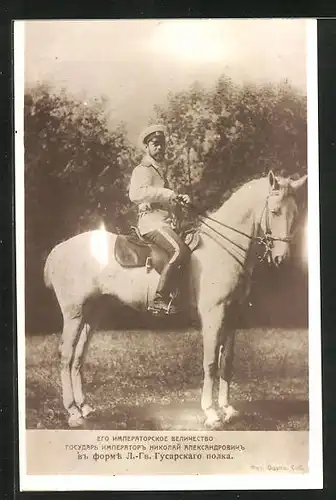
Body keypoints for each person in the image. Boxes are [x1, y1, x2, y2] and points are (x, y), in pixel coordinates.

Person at [129, 124, 191, 314]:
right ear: (146, 147)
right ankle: (159, 298)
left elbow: (165, 199)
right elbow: (136, 194)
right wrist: (168, 194)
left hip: (164, 222)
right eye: (155, 144)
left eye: (162, 144)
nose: (159, 148)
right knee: (179, 251)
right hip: (150, 222)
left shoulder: (160, 171)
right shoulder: (143, 169)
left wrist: (180, 199)